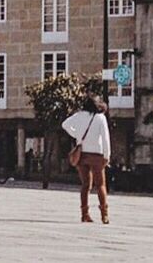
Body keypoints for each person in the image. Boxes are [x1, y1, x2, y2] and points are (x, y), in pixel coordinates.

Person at [62, 96, 112, 224]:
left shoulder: (79, 115)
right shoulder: (100, 117)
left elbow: (65, 124)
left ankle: (85, 214)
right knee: (100, 184)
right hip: (97, 154)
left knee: (85, 185)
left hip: (82, 154)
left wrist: (77, 135)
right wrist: (107, 156)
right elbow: (105, 139)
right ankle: (104, 215)